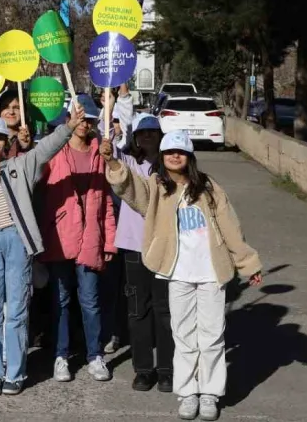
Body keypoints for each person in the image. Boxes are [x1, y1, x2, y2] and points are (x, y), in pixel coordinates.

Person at [102, 131, 262, 421]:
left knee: (212, 337)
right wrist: (113, 162)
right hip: (177, 274)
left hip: (212, 273)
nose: (175, 156)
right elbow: (129, 186)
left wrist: (247, 263)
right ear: (162, 157)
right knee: (184, 337)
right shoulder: (155, 186)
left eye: (180, 152)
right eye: (169, 152)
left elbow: (230, 227)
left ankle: (210, 393)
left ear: (189, 156)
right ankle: (188, 394)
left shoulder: (209, 187)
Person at [0, 103, 86, 396]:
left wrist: (69, 126)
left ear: (6, 142)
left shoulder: (20, 166)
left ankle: (15, 373)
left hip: (17, 243)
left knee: (17, 311)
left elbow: (47, 148)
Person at [39, 95, 117, 383]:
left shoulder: (101, 153)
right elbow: (32, 176)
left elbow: (107, 201)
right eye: (80, 118)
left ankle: (95, 355)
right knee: (60, 299)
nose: (84, 124)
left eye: (90, 119)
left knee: (90, 300)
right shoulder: (54, 153)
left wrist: (109, 241)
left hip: (91, 238)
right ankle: (61, 356)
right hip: (60, 237)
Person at [113, 114, 174, 393]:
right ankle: (143, 370)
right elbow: (109, 155)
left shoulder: (171, 165)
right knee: (138, 310)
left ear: (160, 135)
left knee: (164, 310)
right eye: (142, 132)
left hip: (162, 245)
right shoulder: (129, 163)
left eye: (152, 132)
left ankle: (166, 370)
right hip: (134, 245)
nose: (147, 136)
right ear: (135, 137)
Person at [0, 89, 34, 156]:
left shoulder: (34, 139)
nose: (11, 112)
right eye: (5, 107)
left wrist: (26, 148)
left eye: (16, 108)